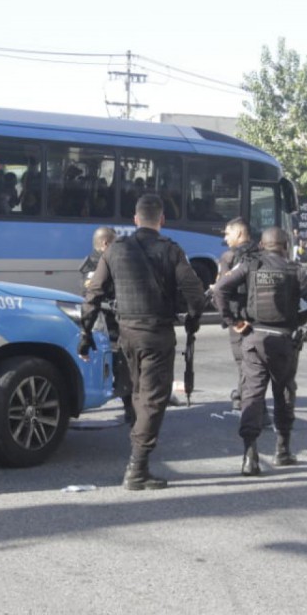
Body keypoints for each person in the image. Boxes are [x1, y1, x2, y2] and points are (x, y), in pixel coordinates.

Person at [80, 193, 205, 490]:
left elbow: (93, 294)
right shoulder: (171, 250)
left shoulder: (115, 250)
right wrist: (193, 319)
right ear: (161, 220)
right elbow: (195, 292)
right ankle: (137, 467)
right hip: (156, 334)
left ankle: (139, 454)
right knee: (152, 400)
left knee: (138, 393)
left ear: (135, 219)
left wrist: (85, 335)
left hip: (127, 335)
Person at [214, 227, 307, 475]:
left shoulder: (249, 266)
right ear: (285, 246)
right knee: (284, 393)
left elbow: (220, 289)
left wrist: (233, 321)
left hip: (254, 339)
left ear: (262, 246)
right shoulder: (295, 270)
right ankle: (283, 451)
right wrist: (298, 320)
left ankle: (249, 457)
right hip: (284, 341)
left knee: (252, 395)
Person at [80, 226, 134, 425]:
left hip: (107, 321)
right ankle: (129, 407)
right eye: (114, 243)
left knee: (122, 365)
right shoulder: (95, 264)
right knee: (122, 365)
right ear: (105, 244)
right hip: (105, 322)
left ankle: (129, 405)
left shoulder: (105, 260)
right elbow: (92, 294)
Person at [215, 218, 261, 413]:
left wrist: (230, 320)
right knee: (253, 362)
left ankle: (251, 405)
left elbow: (221, 289)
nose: (225, 238)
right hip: (261, 316)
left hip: (240, 317)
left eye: (228, 233)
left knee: (243, 362)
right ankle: (241, 395)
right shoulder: (263, 255)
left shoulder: (228, 257)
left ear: (240, 234)